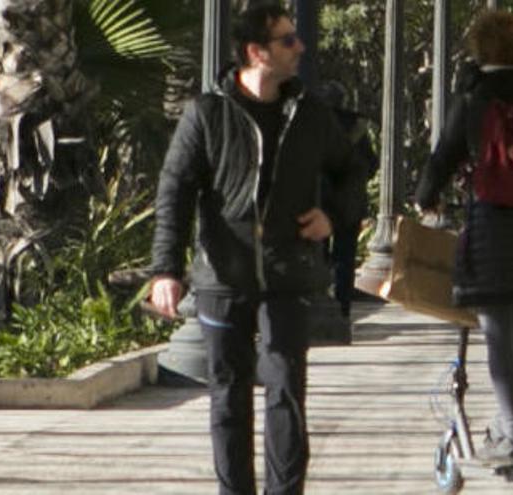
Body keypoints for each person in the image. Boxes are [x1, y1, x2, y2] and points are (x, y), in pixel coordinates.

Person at [147, 4, 366, 494]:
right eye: (288, 40)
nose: (300, 47)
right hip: (223, 278)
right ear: (256, 52)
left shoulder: (309, 114)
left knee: (286, 389)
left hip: (286, 274)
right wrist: (166, 269)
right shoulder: (208, 113)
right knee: (229, 395)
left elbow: (352, 171)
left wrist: (332, 214)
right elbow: (175, 189)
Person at [415, 11, 513, 462]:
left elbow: (444, 153)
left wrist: (427, 196)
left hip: (492, 225)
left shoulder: (475, 95)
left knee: (495, 330)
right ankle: (507, 426)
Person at [318, 80, 377, 318]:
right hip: (350, 202)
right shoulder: (356, 128)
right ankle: (342, 310)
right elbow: (371, 164)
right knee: (344, 257)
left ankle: (319, 302)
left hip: (320, 201)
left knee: (319, 254)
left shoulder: (315, 126)